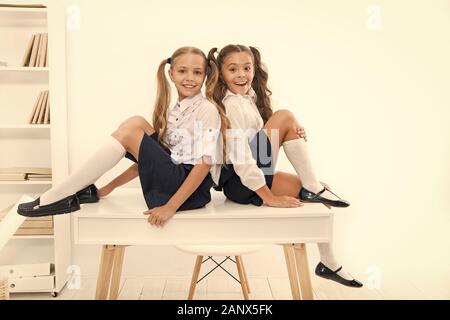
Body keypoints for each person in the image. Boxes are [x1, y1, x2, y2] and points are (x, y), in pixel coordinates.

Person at [18, 46, 228, 227]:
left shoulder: (207, 110)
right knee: (136, 123)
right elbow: (146, 162)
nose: (190, 78)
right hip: (176, 176)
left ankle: (56, 196)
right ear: (171, 74)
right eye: (183, 71)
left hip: (190, 193)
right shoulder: (175, 111)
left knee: (131, 130)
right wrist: (107, 188)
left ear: (205, 76)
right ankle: (77, 191)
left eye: (197, 72)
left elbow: (204, 164)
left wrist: (170, 207)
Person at [208, 44, 362, 287]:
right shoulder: (229, 106)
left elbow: (260, 141)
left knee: (321, 189)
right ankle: (313, 188)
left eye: (246, 68)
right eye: (233, 69)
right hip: (240, 183)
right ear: (221, 74)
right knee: (285, 115)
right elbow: (242, 159)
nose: (241, 74)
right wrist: (268, 196)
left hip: (251, 177)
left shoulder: (248, 99)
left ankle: (328, 264)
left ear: (254, 69)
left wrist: (291, 133)